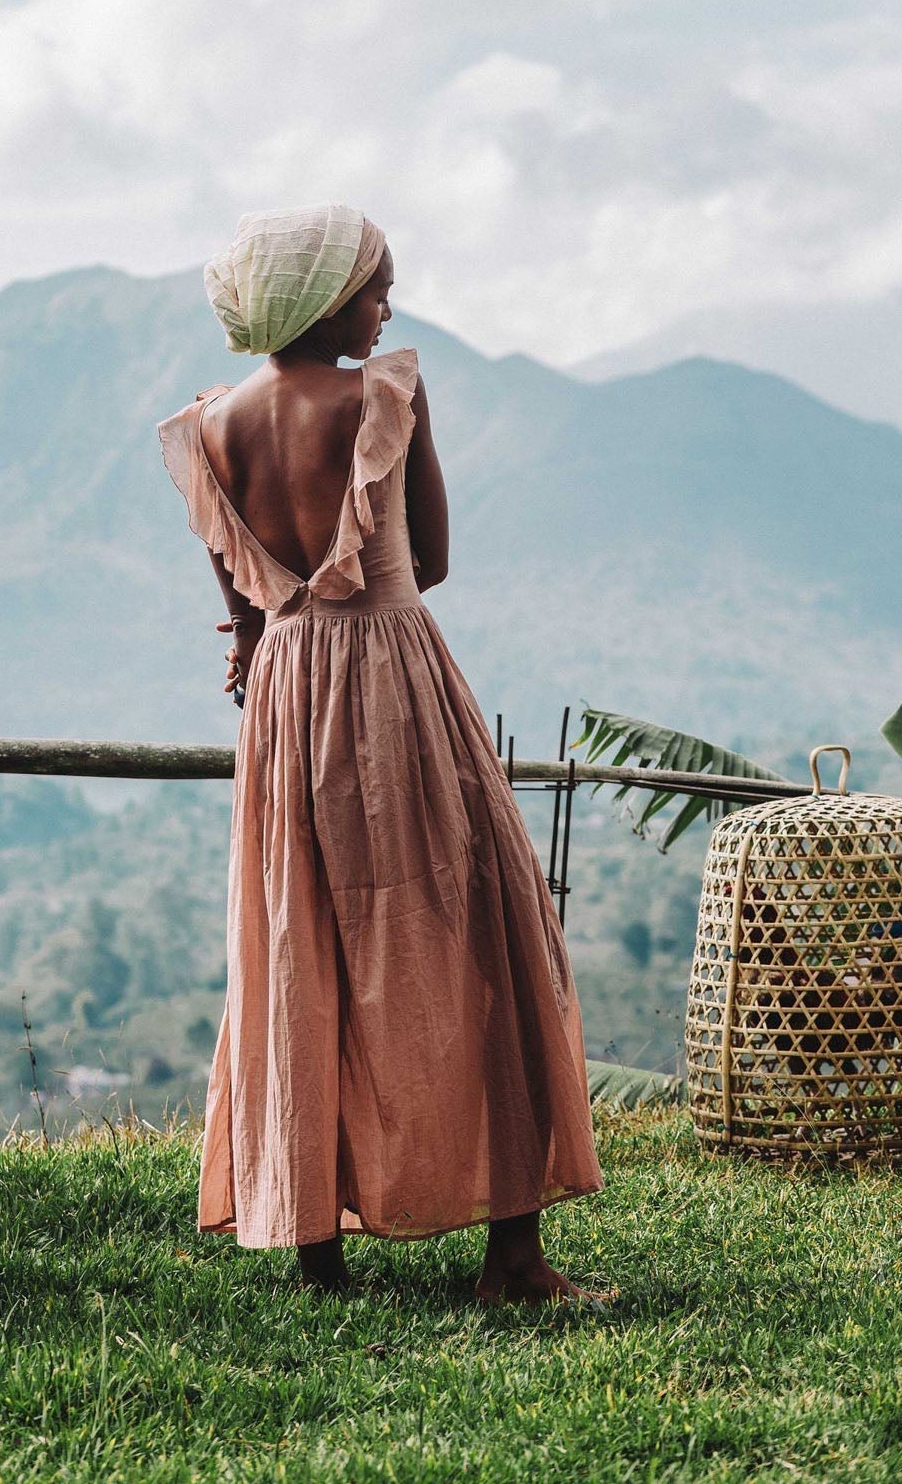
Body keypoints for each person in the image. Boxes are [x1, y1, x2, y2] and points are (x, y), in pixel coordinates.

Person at [158, 204, 602, 1300]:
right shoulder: (381, 396)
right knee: (480, 926)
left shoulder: (210, 428)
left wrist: (269, 641)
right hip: (393, 681)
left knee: (300, 937)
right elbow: (432, 559)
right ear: (323, 300)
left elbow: (251, 606)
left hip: (288, 702)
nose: (387, 305)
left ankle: (319, 1251)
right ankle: (514, 1255)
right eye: (374, 286)